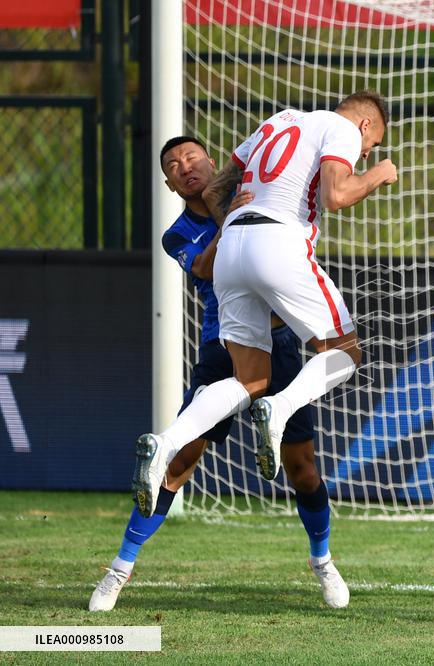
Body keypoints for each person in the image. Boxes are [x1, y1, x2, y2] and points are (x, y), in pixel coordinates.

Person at [90, 137, 347, 611]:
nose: (184, 166)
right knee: (179, 462)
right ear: (169, 184)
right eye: (173, 165)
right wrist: (230, 221)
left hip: (281, 345)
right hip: (221, 349)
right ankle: (118, 571)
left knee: (303, 469)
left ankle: (322, 561)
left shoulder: (258, 191)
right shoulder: (178, 234)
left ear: (213, 160)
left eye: (191, 157)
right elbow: (206, 267)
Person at [131, 92, 396, 523]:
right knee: (345, 351)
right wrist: (377, 173)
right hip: (278, 245)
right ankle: (281, 406)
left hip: (234, 248)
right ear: (366, 125)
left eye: (192, 157)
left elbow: (220, 189)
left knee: (252, 380)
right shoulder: (344, 129)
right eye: (372, 144)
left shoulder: (281, 119)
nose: (367, 151)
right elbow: (335, 195)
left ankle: (164, 441)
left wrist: (232, 220)